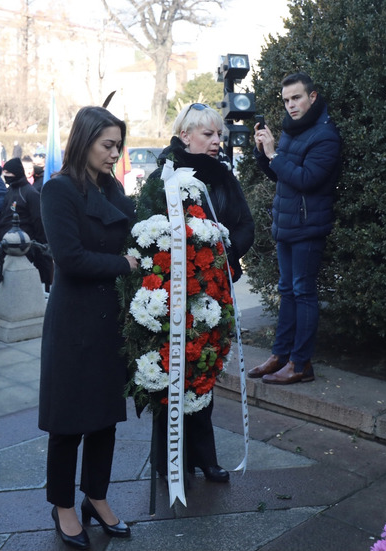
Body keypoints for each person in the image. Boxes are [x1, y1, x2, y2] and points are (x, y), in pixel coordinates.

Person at [138, 102, 256, 483]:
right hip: (169, 292)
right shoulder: (163, 175)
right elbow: (146, 231)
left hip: (212, 290)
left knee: (203, 368)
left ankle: (206, 457)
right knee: (169, 371)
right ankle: (167, 459)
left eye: (219, 134)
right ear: (185, 135)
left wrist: (221, 254)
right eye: (208, 134)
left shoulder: (223, 177)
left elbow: (244, 226)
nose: (216, 141)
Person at [38, 106, 137, 548]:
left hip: (110, 320)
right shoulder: (58, 190)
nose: (115, 153)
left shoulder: (112, 187)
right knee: (69, 421)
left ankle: (96, 497)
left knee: (104, 418)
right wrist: (125, 264)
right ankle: (62, 506)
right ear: (84, 141)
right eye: (107, 145)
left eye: (118, 145)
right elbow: (70, 258)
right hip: (75, 320)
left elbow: (132, 231)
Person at [249, 71, 341, 385]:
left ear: (312, 97)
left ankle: (301, 364)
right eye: (287, 100)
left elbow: (306, 179)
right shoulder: (293, 130)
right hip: (286, 224)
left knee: (303, 292)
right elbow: (281, 175)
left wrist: (274, 153)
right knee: (287, 292)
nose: (291, 105)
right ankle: (280, 355)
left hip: (308, 227)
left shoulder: (326, 135)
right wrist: (264, 154)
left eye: (297, 97)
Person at [0, 157, 53, 292]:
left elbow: (38, 220)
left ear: (16, 173)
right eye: (4, 173)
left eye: (8, 173)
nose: (5, 176)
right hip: (9, 245)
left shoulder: (30, 193)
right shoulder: (10, 190)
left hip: (25, 247)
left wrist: (38, 246)